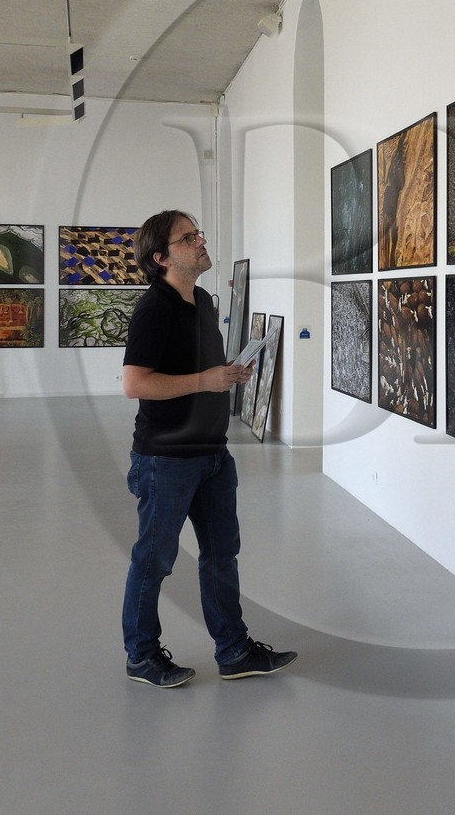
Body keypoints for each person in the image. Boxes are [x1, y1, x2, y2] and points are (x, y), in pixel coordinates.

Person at [120, 209, 296, 688]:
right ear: (161, 258)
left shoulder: (202, 300)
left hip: (213, 454)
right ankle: (141, 655)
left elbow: (202, 373)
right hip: (166, 459)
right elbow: (135, 384)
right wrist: (206, 379)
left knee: (222, 554)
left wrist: (230, 373)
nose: (201, 241)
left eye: (197, 233)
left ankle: (234, 650)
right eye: (187, 237)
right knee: (153, 560)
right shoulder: (153, 310)